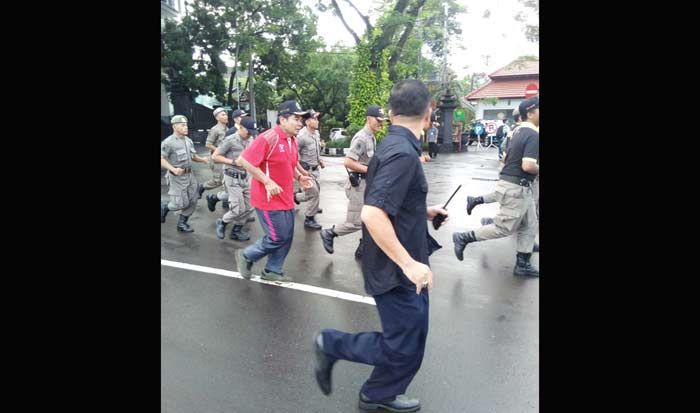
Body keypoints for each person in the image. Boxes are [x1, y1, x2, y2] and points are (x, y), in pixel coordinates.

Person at [314, 80, 447, 413]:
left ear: (390, 113)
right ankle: (331, 344)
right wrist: (409, 264)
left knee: (411, 338)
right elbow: (373, 214)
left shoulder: (394, 146)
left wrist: (424, 211)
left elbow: (385, 201)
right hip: (395, 267)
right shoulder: (401, 153)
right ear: (429, 111)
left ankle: (378, 394)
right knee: (403, 344)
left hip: (400, 261)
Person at [452, 96, 540, 276]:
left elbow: (507, 157)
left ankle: (522, 263)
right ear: (530, 113)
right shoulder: (532, 135)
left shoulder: (517, 131)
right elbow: (528, 165)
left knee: (530, 225)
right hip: (517, 188)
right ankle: (464, 237)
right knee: (504, 227)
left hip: (516, 184)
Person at [234, 101, 314, 282]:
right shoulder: (268, 137)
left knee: (287, 236)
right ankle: (247, 255)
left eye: (301, 119)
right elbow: (244, 161)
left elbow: (288, 164)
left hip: (284, 196)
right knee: (278, 236)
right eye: (296, 118)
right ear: (283, 119)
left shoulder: (292, 140)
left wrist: (300, 178)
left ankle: (272, 270)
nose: (300, 123)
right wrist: (267, 181)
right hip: (267, 198)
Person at [319, 105, 387, 260]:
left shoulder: (371, 137)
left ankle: (363, 248)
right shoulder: (361, 138)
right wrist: (370, 170)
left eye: (382, 121)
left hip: (367, 185)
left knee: (370, 216)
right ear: (369, 119)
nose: (380, 123)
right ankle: (329, 233)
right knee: (355, 222)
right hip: (359, 187)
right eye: (378, 120)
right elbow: (348, 162)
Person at [211, 117, 258, 240]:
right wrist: (233, 162)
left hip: (246, 177)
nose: (250, 135)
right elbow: (215, 157)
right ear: (241, 128)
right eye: (249, 132)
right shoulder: (230, 140)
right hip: (232, 177)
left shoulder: (251, 139)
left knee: (250, 207)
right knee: (238, 208)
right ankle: (222, 222)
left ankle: (236, 231)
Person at [160, 115, 209, 232]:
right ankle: (165, 206)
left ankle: (182, 223)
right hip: (176, 177)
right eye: (183, 125)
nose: (186, 127)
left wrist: (202, 160)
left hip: (189, 175)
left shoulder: (188, 141)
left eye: (186, 125)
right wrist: (172, 169)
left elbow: (192, 156)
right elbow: (161, 159)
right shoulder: (168, 143)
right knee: (180, 203)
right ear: (175, 126)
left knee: (194, 199)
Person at [294, 109, 325, 229]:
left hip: (316, 168)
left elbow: (316, 150)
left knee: (314, 192)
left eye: (317, 118)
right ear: (307, 122)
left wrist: (320, 160)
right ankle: (309, 219)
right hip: (306, 170)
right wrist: (301, 171)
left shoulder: (316, 133)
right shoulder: (301, 136)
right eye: (315, 119)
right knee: (314, 193)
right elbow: (294, 156)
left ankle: (295, 197)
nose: (317, 121)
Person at [203, 107, 229, 190]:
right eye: (223, 115)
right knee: (218, 181)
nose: (226, 117)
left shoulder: (227, 129)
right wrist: (219, 151)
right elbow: (208, 144)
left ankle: (225, 202)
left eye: (226, 115)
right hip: (217, 159)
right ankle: (201, 187)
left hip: (225, 158)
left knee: (227, 181)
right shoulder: (215, 130)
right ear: (217, 118)